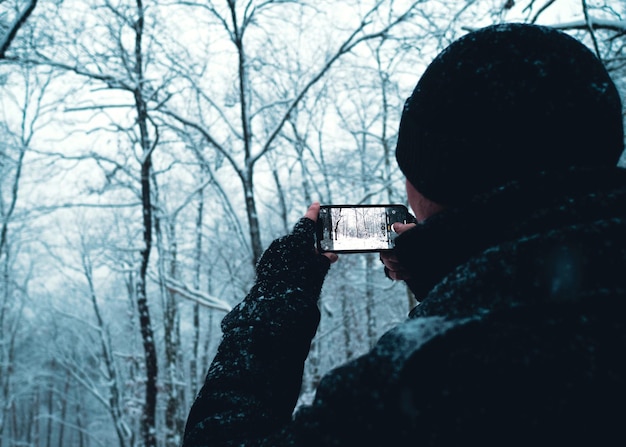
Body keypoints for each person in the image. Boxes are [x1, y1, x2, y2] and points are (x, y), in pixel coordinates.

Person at [181, 23, 626, 446]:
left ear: (439, 178)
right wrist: (455, 275)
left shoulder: (431, 379)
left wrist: (280, 288)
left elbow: (223, 437)